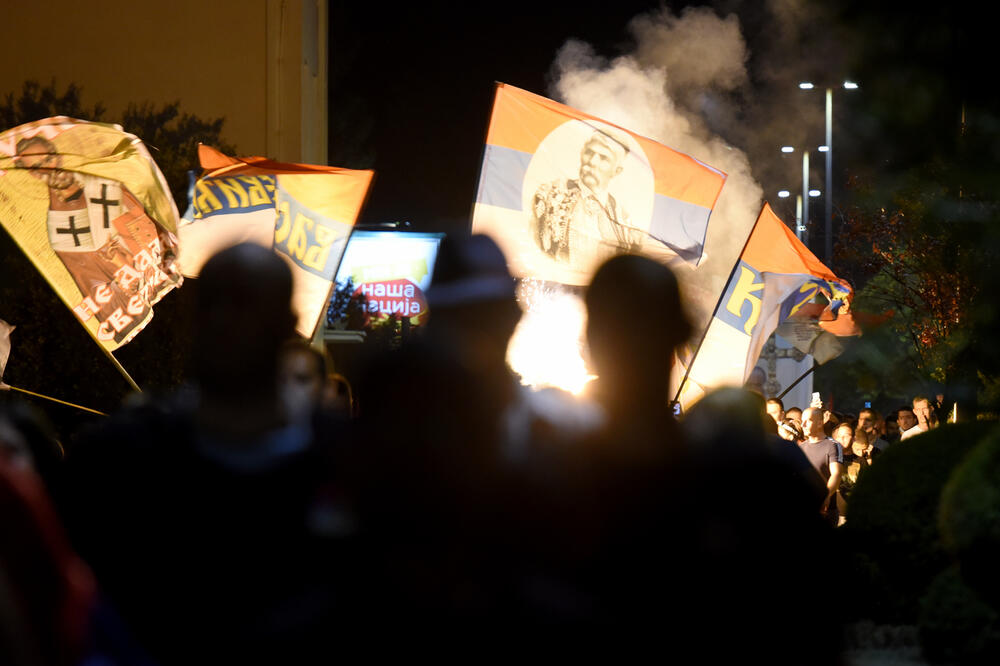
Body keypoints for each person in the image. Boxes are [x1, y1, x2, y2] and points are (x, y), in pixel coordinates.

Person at [14, 135, 179, 343]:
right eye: (38, 166)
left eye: (48, 159)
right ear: (33, 174)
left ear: (59, 157)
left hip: (174, 281)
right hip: (148, 321)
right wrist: (123, 271)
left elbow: (154, 219)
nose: (48, 169)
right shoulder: (61, 227)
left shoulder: (107, 183)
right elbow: (98, 294)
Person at [531, 129, 643, 265]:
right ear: (581, 154)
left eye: (603, 158)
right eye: (589, 152)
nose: (592, 162)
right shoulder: (547, 194)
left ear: (616, 171)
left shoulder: (625, 223)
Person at [800, 406, 845, 525]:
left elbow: (836, 473)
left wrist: (826, 497)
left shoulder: (832, 445)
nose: (803, 425)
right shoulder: (801, 447)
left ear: (820, 423)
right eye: (801, 421)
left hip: (826, 510)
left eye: (808, 420)